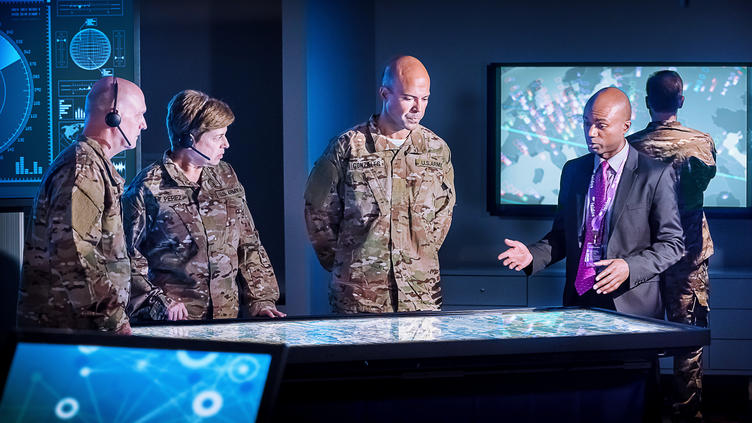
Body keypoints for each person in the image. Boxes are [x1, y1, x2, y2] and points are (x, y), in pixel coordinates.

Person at [497, 87, 684, 318]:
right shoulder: (574, 171)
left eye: (600, 125)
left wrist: (629, 268)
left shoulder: (655, 175)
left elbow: (672, 244)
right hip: (578, 302)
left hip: (631, 306)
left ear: (625, 126)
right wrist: (532, 256)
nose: (591, 132)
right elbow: (562, 235)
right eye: (586, 123)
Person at [304, 55, 455, 313]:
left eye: (425, 98)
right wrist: (349, 262)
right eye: (409, 98)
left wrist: (417, 255)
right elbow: (318, 213)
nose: (418, 107)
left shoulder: (436, 150)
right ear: (385, 94)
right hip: (360, 296)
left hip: (420, 293)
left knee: (421, 356)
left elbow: (444, 212)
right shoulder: (348, 146)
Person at [122, 89, 284, 320]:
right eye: (218, 136)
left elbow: (249, 243)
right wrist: (159, 303)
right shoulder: (147, 188)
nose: (226, 144)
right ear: (189, 138)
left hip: (226, 323)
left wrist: (261, 301)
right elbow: (124, 259)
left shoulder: (226, 175)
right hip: (175, 326)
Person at [19, 77, 157, 334]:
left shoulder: (93, 164)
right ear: (115, 116)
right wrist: (113, 320)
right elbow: (74, 252)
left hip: (82, 330)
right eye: (139, 114)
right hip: (68, 333)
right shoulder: (83, 168)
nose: (144, 124)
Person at [628, 70, 716, 423]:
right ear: (680, 100)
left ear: (648, 102)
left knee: (636, 337)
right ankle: (686, 415)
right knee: (689, 340)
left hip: (643, 257)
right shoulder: (702, 141)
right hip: (689, 258)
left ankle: (640, 409)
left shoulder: (632, 146)